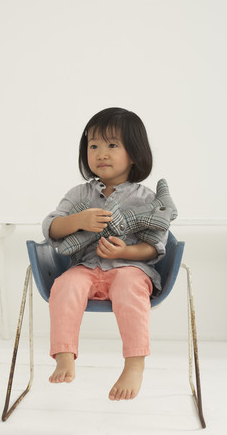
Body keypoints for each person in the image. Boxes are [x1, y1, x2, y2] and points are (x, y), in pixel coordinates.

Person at [42, 107, 176, 401]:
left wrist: (127, 250)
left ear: (134, 153)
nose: (101, 153)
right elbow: (51, 227)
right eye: (94, 146)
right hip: (87, 267)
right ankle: (64, 354)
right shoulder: (80, 194)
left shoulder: (147, 199)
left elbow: (155, 245)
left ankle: (134, 363)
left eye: (112, 145)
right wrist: (78, 221)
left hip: (129, 268)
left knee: (129, 287)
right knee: (65, 285)